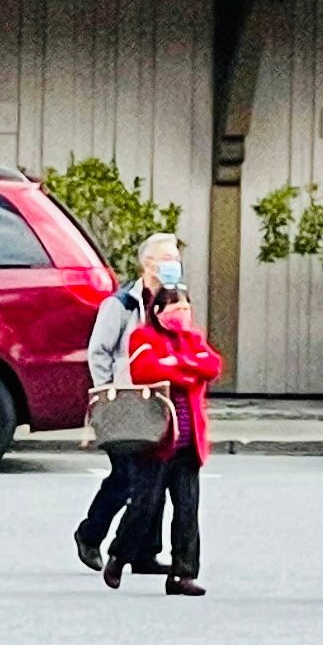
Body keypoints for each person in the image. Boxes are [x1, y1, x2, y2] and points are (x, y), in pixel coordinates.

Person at [76, 231, 181, 575]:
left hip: (158, 402)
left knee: (155, 479)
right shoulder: (121, 305)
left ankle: (145, 551)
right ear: (146, 263)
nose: (174, 265)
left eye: (176, 259)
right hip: (124, 401)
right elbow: (99, 351)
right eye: (167, 259)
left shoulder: (173, 300)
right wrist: (107, 394)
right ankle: (90, 534)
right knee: (126, 477)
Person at [105, 287, 221, 597]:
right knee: (145, 506)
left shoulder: (193, 339)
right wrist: (187, 368)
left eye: (185, 305)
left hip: (189, 444)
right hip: (156, 441)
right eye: (174, 307)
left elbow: (212, 365)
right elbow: (146, 370)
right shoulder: (143, 338)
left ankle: (183, 574)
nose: (181, 312)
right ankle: (119, 555)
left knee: (187, 511)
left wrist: (178, 363)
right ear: (157, 312)